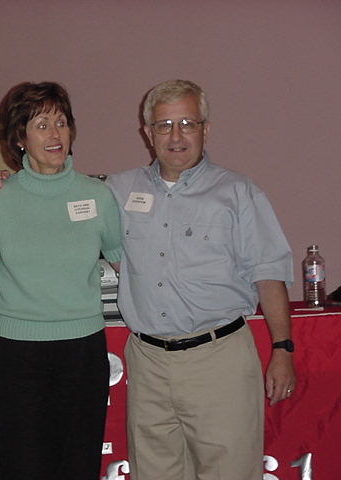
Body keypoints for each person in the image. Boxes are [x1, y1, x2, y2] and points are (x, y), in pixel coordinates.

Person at [104, 79, 296, 479]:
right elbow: (64, 202)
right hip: (148, 363)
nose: (176, 136)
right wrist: (2, 180)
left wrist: (282, 349)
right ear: (147, 133)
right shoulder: (117, 191)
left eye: (187, 124)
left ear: (205, 129)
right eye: (164, 125)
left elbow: (269, 273)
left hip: (218, 360)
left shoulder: (238, 192)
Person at [0, 81, 122, 480]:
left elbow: (124, 266)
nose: (55, 134)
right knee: (23, 467)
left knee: (78, 465)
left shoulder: (98, 195)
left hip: (83, 351)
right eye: (41, 125)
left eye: (61, 122)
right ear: (19, 138)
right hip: (18, 354)